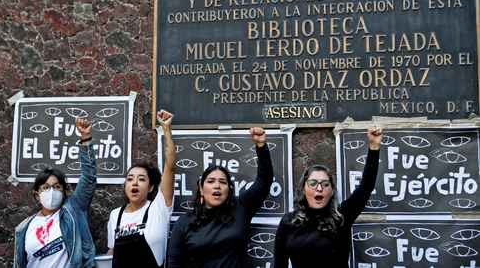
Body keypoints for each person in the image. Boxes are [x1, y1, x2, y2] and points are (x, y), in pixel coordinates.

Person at [274, 127, 383, 268]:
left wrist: (374, 147)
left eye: (325, 184)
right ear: (304, 189)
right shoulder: (288, 222)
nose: (319, 188)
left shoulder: (341, 217)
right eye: (313, 183)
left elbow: (365, 188)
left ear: (332, 191)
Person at [167, 127, 273, 268]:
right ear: (201, 189)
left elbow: (264, 181)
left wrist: (261, 146)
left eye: (222, 182)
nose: (217, 186)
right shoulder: (184, 222)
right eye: (211, 181)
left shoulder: (241, 208)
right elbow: (174, 263)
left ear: (229, 189)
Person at [14, 118, 96, 268]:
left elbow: (89, 177)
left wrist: (86, 139)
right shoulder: (23, 228)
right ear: (37, 194)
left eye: (57, 187)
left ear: (64, 191)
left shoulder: (74, 210)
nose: (51, 191)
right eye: (45, 187)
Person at [107, 109, 176, 267]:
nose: (135, 183)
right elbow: (112, 253)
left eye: (142, 179)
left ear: (151, 187)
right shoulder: (115, 215)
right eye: (130, 179)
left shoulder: (159, 207)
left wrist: (166, 129)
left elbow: (170, 167)